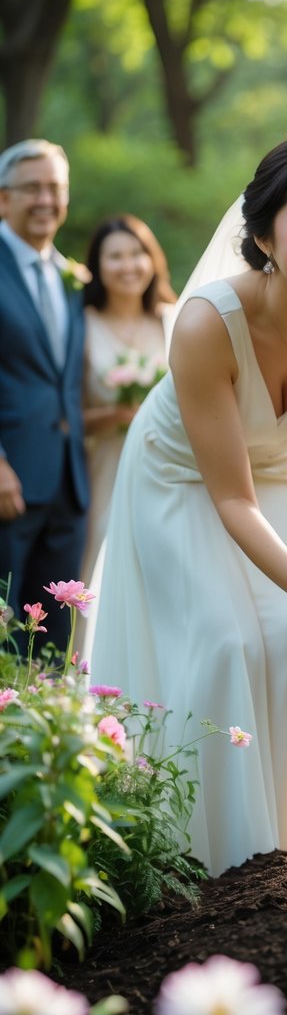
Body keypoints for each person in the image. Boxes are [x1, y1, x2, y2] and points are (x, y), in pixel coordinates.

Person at [90, 134, 287, 877]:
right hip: (181, 481)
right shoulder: (207, 321)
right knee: (225, 648)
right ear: (264, 235)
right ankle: (201, 871)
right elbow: (231, 498)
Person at [0, 139, 89, 654]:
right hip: (8, 483)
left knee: (53, 641)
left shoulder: (71, 277)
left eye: (54, 188)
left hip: (69, 488)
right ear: (3, 198)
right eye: (31, 187)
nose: (45, 199)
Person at [81, 214, 177, 585]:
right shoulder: (83, 324)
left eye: (137, 254)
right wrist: (116, 415)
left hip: (166, 466)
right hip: (105, 467)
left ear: (153, 261)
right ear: (97, 266)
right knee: (103, 571)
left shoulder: (174, 319)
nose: (128, 266)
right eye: (115, 256)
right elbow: (66, 415)